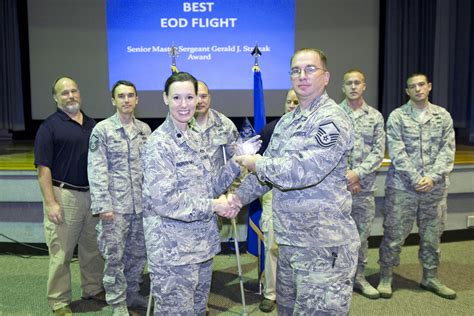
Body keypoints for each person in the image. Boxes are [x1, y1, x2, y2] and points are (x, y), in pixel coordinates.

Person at [230, 48, 360, 315]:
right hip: (289, 242)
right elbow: (268, 177)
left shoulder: (331, 120)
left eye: (310, 69)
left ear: (326, 77)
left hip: (323, 246)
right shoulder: (286, 123)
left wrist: (258, 162)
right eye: (296, 70)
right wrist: (236, 199)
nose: (302, 76)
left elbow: (306, 169)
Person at [141, 72, 241, 315]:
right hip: (173, 252)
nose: (184, 104)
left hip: (201, 247)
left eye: (189, 97)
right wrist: (215, 206)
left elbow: (211, 185)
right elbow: (166, 202)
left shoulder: (195, 136)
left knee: (197, 311)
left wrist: (237, 163)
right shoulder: (159, 144)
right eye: (177, 97)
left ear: (198, 98)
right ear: (165, 99)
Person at [378, 73, 456, 299]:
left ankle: (430, 277)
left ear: (429, 87)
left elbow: (447, 150)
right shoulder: (397, 117)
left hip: (434, 189)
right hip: (403, 188)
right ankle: (386, 276)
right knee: (393, 235)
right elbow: (397, 152)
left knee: (432, 237)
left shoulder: (442, 116)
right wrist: (415, 178)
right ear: (407, 92)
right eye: (412, 86)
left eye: (421, 85)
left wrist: (431, 177)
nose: (418, 89)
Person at [34, 76, 105, 316]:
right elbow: (43, 169)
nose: (70, 96)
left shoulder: (92, 125)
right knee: (61, 252)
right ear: (56, 98)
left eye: (74, 90)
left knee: (92, 249)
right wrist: (51, 203)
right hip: (64, 196)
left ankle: (93, 290)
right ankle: (59, 301)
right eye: (64, 93)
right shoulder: (49, 127)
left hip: (91, 197)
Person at [87, 80, 151, 315]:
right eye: (121, 96)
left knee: (138, 254)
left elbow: (150, 169)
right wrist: (103, 205)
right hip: (115, 208)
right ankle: (116, 302)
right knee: (115, 257)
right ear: (113, 100)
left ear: (137, 99)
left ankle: (132, 294)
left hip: (141, 207)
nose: (126, 100)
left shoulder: (144, 130)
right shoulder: (102, 130)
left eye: (130, 95)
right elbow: (97, 169)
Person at [339, 69, 385, 299]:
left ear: (364, 86)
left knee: (362, 238)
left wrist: (357, 174)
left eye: (357, 83)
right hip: (337, 191)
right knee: (335, 238)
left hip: (364, 190)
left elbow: (378, 153)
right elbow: (330, 152)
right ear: (343, 87)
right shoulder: (334, 114)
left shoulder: (375, 117)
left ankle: (359, 278)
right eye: (349, 83)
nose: (353, 86)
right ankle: (338, 281)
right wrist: (347, 178)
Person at [258, 89, 298, 313]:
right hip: (273, 194)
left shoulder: (310, 130)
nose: (291, 105)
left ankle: (295, 292)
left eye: (295, 101)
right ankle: (271, 293)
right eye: (288, 101)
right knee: (272, 246)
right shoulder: (271, 129)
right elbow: (260, 167)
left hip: (301, 197)